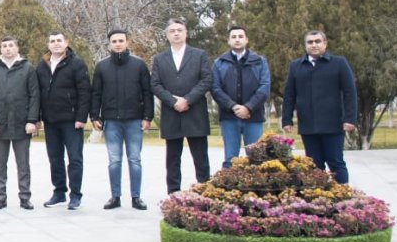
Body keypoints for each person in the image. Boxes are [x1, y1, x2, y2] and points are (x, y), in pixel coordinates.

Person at [282, 30, 358, 183]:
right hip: (308, 125)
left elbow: (350, 92)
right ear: (305, 45)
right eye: (310, 42)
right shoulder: (296, 66)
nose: (314, 45)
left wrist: (350, 118)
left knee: (336, 163)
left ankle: (343, 195)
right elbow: (289, 95)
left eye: (317, 41)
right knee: (313, 165)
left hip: (333, 124)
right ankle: (318, 195)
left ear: (325, 43)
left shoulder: (339, 63)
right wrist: (287, 120)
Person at [89, 29, 154, 210]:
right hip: (111, 121)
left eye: (121, 40)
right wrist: (94, 116)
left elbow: (147, 93)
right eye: (114, 41)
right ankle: (115, 196)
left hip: (134, 120)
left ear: (127, 42)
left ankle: (136, 197)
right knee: (114, 160)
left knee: (135, 160)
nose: (118, 44)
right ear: (109, 44)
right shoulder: (101, 66)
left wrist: (147, 116)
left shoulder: (139, 65)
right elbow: (96, 93)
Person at [151, 17, 214, 195]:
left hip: (195, 112)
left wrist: (187, 100)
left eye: (179, 30)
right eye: (172, 31)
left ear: (186, 33)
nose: (176, 34)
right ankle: (173, 194)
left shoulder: (199, 55)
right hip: (172, 114)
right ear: (167, 35)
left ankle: (205, 193)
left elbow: (206, 79)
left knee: (201, 158)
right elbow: (155, 84)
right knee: (172, 159)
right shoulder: (160, 59)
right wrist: (173, 101)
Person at [0, 36, 40, 210]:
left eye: (10, 45)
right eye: (4, 46)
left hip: (22, 124)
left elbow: (34, 95)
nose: (7, 48)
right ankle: (1, 197)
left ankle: (25, 197)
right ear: (1, 49)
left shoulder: (27, 68)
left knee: (23, 164)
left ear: (17, 48)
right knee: (0, 165)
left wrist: (32, 120)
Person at [35, 32, 90, 211]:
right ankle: (59, 192)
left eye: (59, 40)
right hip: (50, 121)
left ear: (66, 43)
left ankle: (75, 195)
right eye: (52, 41)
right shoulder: (42, 65)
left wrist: (81, 117)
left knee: (75, 158)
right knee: (55, 158)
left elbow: (84, 92)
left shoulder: (76, 64)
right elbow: (37, 93)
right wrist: (37, 117)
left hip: (71, 121)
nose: (56, 43)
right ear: (48, 44)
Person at [211, 25, 271, 167]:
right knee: (230, 160)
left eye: (240, 36)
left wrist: (248, 107)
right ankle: (229, 183)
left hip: (253, 117)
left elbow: (264, 87)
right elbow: (215, 88)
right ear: (228, 41)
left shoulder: (259, 62)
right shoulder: (219, 63)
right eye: (233, 37)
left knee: (257, 159)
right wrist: (233, 106)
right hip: (229, 118)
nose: (237, 39)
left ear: (246, 40)